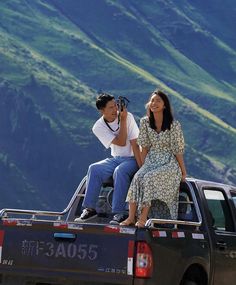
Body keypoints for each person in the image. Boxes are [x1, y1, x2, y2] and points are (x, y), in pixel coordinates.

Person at [120, 90, 187, 227]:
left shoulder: (174, 124)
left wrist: (183, 171)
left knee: (149, 178)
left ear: (164, 105)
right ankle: (131, 217)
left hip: (169, 162)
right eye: (152, 100)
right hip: (151, 160)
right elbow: (143, 147)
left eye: (158, 101)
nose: (154, 103)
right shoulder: (144, 122)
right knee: (138, 177)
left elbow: (178, 151)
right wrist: (142, 167)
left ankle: (143, 218)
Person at [75, 93, 141, 224]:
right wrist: (122, 121)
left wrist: (141, 167)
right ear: (102, 111)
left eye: (115, 106)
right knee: (94, 168)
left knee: (120, 171)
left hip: (133, 158)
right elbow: (121, 142)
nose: (115, 110)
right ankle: (90, 208)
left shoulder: (128, 117)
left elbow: (135, 143)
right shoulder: (98, 127)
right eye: (111, 107)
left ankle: (119, 213)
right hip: (116, 158)